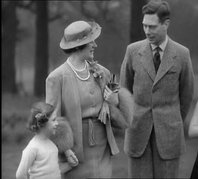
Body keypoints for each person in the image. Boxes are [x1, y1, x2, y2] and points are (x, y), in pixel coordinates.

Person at [45, 20, 134, 179]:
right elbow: (53, 119)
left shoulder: (103, 72)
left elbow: (120, 114)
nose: (95, 45)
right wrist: (65, 149)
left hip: (102, 147)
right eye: (91, 41)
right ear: (79, 46)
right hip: (76, 150)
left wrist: (115, 101)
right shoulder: (56, 78)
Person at [119, 0, 194, 178]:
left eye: (152, 26)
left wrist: (171, 119)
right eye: (144, 26)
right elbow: (124, 91)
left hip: (169, 136)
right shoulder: (132, 51)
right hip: (137, 134)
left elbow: (187, 95)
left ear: (166, 24)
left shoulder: (182, 54)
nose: (147, 31)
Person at [16, 102, 61, 179]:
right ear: (42, 123)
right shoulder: (33, 148)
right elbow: (20, 175)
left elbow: (52, 170)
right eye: (53, 120)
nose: (57, 123)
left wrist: (70, 165)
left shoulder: (52, 144)